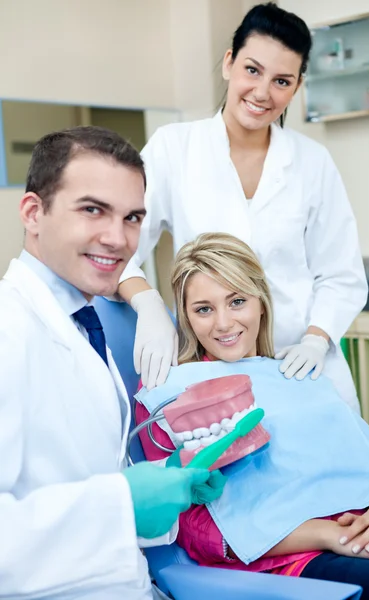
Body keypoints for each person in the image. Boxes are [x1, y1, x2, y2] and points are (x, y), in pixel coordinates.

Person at [0, 127, 225, 600]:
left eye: (133, 218)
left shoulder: (82, 320)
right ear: (33, 212)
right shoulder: (9, 330)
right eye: (92, 210)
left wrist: (167, 491)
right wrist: (123, 503)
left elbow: (73, 473)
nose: (118, 238)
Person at [119, 2, 368, 412]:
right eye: (252, 70)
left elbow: (341, 274)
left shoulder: (312, 161)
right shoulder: (174, 148)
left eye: (282, 81)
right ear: (229, 63)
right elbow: (119, 246)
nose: (262, 93)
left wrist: (315, 339)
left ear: (297, 87)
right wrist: (147, 302)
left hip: (303, 368)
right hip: (213, 370)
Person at [135, 233, 369, 600]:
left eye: (237, 301)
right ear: (187, 319)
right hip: (292, 558)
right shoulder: (173, 397)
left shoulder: (296, 374)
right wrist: (330, 535)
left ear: (261, 302)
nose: (224, 323)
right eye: (203, 309)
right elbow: (196, 532)